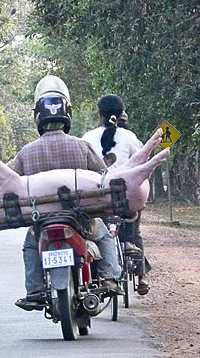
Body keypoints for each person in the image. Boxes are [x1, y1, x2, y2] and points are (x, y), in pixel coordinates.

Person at [14, 76, 124, 311]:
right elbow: (102, 177)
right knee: (104, 236)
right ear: (67, 116)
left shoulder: (25, 153)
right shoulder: (81, 146)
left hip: (41, 221)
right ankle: (109, 277)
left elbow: (9, 182)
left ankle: (34, 289)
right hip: (80, 220)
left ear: (38, 119)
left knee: (30, 246)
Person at [82, 94, 151, 295]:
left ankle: (95, 276)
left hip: (97, 199)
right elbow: (142, 164)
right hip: (125, 200)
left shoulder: (87, 138)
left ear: (99, 114)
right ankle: (141, 274)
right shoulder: (130, 138)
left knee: (94, 231)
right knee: (135, 226)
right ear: (121, 114)